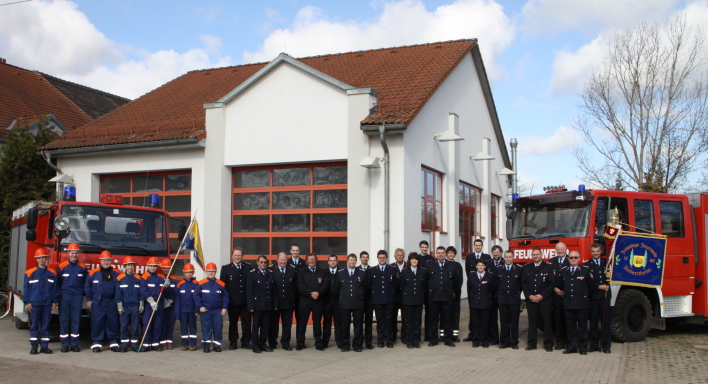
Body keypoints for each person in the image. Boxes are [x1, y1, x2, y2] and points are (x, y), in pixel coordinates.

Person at [557, 251, 595, 355]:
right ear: (568, 259)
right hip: (568, 303)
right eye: (571, 257)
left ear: (579, 259)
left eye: (575, 257)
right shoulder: (564, 271)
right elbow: (560, 285)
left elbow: (591, 287)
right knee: (570, 327)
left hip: (581, 303)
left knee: (582, 327)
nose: (573, 259)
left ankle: (582, 348)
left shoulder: (585, 271)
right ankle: (571, 347)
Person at [85, 250, 121, 352]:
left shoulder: (117, 273)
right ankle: (96, 343)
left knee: (113, 322)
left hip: (112, 302)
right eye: (104, 260)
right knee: (97, 322)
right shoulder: (93, 273)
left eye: (108, 260)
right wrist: (89, 300)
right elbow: (87, 287)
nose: (106, 262)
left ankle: (113, 342)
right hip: (98, 302)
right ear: (100, 261)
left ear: (111, 260)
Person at [23, 247, 58, 355]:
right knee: (34, 326)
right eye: (40, 258)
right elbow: (26, 289)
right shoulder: (30, 273)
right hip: (35, 303)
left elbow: (55, 289)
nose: (42, 260)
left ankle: (44, 346)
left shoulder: (52, 273)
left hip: (47, 303)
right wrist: (27, 302)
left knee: (45, 326)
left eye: (43, 258)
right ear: (36, 259)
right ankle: (34, 346)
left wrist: (54, 301)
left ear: (46, 259)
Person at [521, 248, 555, 352]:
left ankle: (548, 344)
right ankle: (532, 343)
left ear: (541, 254)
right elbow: (523, 283)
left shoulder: (548, 267)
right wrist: (529, 295)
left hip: (544, 300)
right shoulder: (527, 267)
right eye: (534, 254)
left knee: (547, 322)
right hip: (531, 300)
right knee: (532, 323)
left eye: (537, 254)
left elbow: (551, 283)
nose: (536, 256)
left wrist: (542, 295)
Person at [427, 246, 461, 347]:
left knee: (447, 319)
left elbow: (457, 281)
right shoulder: (429, 265)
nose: (440, 255)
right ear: (436, 254)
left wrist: (453, 292)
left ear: (445, 254)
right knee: (433, 320)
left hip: (447, 297)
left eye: (442, 253)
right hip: (434, 297)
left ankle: (448, 339)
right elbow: (426, 280)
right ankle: (433, 339)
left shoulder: (452, 265)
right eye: (439, 253)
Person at [56, 243, 87, 353]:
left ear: (78, 253)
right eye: (72, 253)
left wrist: (82, 294)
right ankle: (64, 344)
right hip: (64, 297)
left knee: (76, 320)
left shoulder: (82, 267)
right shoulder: (61, 266)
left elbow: (85, 283)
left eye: (76, 253)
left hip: (77, 297)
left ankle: (74, 344)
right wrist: (57, 297)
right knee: (64, 320)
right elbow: (57, 283)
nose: (74, 255)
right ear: (68, 253)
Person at [220, 248, 252, 350]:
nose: (237, 257)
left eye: (239, 255)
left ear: (242, 256)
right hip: (233, 301)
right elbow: (223, 286)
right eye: (235, 255)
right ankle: (233, 342)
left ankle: (245, 342)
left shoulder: (248, 267)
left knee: (246, 323)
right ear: (232, 256)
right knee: (233, 323)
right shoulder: (226, 268)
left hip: (245, 301)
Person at [296, 253, 329, 350]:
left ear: (316, 260)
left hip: (317, 301)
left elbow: (325, 284)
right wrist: (311, 293)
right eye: (310, 259)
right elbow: (300, 285)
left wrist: (318, 293)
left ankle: (318, 343)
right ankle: (300, 343)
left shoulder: (322, 272)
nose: (311, 261)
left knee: (317, 322)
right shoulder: (302, 271)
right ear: (306, 261)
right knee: (302, 322)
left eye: (313, 259)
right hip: (305, 300)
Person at [334, 253, 366, 352]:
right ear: (347, 261)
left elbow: (365, 288)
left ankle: (357, 345)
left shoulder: (361, 273)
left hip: (358, 303)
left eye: (354, 260)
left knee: (358, 326)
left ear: (356, 261)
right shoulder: (340, 273)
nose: (352, 262)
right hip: (345, 303)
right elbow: (337, 289)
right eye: (350, 260)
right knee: (344, 325)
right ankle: (345, 345)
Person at [584, 243, 612, 353]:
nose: (595, 253)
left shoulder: (607, 263)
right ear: (590, 252)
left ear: (601, 252)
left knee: (606, 322)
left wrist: (610, 276)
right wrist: (599, 286)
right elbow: (587, 282)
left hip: (605, 297)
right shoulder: (586, 265)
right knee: (593, 323)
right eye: (593, 251)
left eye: (597, 251)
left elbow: (617, 277)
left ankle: (606, 346)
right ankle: (594, 344)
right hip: (593, 297)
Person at [367, 250, 398, 348]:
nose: (382, 259)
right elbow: (369, 284)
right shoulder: (372, 270)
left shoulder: (393, 269)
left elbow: (396, 284)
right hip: (377, 299)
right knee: (380, 321)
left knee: (388, 320)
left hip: (389, 299)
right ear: (377, 258)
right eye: (380, 257)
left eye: (384, 257)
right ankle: (380, 340)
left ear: (387, 258)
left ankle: (389, 340)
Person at [195, 263, 229, 353]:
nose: (211, 273)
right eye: (209, 271)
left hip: (217, 310)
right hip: (205, 310)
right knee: (206, 328)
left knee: (218, 328)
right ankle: (206, 345)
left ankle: (217, 345)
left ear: (215, 272)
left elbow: (225, 296)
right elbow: (196, 296)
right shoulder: (201, 283)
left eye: (213, 271)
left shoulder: (221, 284)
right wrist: (200, 307)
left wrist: (224, 308)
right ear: (206, 271)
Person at [247, 255, 278, 353]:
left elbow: (274, 291)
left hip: (268, 304)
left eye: (265, 262)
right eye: (261, 262)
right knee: (256, 326)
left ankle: (263, 344)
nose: (263, 264)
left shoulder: (270, 273)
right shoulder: (252, 274)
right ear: (257, 263)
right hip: (257, 305)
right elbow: (250, 291)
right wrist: (251, 306)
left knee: (265, 326)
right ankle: (255, 345)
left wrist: (275, 304)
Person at [268, 252, 297, 351]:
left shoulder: (292, 270)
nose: (283, 261)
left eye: (284, 260)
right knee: (273, 324)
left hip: (288, 302)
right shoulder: (271, 270)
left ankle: (285, 342)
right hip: (275, 302)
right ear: (277, 260)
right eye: (281, 260)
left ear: (287, 260)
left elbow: (294, 286)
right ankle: (272, 342)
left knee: (287, 324)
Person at [463, 239, 490, 342]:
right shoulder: (469, 257)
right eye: (476, 245)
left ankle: (483, 336)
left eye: (479, 245)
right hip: (473, 289)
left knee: (483, 317)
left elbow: (488, 273)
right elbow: (467, 271)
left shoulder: (487, 257)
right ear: (474, 246)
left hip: (484, 291)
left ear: (482, 246)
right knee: (473, 315)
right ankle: (473, 334)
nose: (478, 247)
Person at [496, 250, 522, 349]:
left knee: (514, 321)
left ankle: (514, 342)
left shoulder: (519, 269)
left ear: (513, 258)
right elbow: (496, 284)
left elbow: (520, 284)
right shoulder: (498, 269)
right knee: (504, 321)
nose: (508, 259)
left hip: (514, 299)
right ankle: (504, 341)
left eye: (510, 257)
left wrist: (515, 293)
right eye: (506, 257)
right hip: (502, 299)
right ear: (504, 258)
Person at [400, 252, 427, 348]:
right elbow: (402, 286)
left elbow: (424, 286)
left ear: (418, 261)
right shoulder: (404, 271)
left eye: (416, 259)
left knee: (417, 321)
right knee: (408, 322)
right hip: (408, 300)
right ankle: (409, 340)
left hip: (418, 300)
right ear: (409, 261)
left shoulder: (422, 271)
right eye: (412, 259)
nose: (414, 261)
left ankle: (416, 340)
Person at [116, 256, 142, 352]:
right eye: (128, 265)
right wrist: (119, 305)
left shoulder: (138, 278)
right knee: (123, 326)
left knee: (135, 326)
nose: (130, 267)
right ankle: (124, 345)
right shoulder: (120, 278)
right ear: (125, 266)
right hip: (125, 306)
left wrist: (141, 304)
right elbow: (118, 293)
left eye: (131, 265)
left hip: (135, 306)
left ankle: (135, 345)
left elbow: (141, 293)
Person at [139, 257, 166, 352]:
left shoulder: (161, 277)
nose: (153, 268)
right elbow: (143, 290)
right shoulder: (144, 276)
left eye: (154, 266)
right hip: (149, 304)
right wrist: (151, 301)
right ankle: (146, 344)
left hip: (159, 303)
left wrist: (167, 285)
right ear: (148, 266)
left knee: (157, 324)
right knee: (147, 324)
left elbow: (164, 290)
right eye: (151, 266)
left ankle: (155, 343)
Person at [468, 259, 495, 348]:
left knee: (484, 322)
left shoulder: (489, 276)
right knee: (475, 322)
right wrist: (471, 301)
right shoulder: (471, 275)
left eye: (482, 265)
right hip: (474, 303)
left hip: (486, 303)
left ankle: (484, 340)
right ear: (476, 266)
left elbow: (492, 289)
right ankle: (475, 340)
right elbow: (469, 289)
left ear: (485, 267)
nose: (480, 267)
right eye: (479, 265)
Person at [549, 242, 570, 350]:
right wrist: (554, 289)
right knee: (557, 319)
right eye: (558, 249)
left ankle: (568, 342)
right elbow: (549, 278)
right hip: (556, 294)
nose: (560, 251)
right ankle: (560, 342)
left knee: (568, 319)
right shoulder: (551, 261)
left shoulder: (571, 259)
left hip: (567, 295)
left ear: (566, 249)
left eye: (562, 249)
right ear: (555, 250)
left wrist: (566, 290)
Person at [174, 263, 198, 351]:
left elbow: (197, 299)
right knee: (183, 328)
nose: (189, 274)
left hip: (192, 310)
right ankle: (184, 344)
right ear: (184, 273)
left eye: (190, 272)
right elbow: (177, 300)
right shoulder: (180, 284)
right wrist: (177, 313)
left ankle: (193, 344)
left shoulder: (196, 284)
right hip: (183, 311)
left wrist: (197, 310)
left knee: (192, 327)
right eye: (187, 272)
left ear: (193, 272)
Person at [485, 245, 504, 346]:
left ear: (501, 253)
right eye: (494, 252)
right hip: (491, 295)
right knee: (492, 318)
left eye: (498, 252)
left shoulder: (506, 262)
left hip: (502, 294)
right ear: (492, 253)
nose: (496, 254)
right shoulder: (487, 263)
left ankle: (504, 338)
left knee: (504, 318)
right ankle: (494, 338)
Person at [322, 254, 342, 349]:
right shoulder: (324, 272)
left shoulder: (341, 272)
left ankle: (339, 342)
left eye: (334, 260)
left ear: (337, 262)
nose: (333, 262)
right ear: (328, 262)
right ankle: (325, 342)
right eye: (331, 260)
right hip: (327, 302)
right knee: (327, 323)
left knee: (338, 323)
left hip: (338, 302)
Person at [445, 246, 463, 342]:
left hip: (455, 294)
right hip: (446, 294)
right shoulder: (444, 264)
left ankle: (455, 335)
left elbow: (460, 280)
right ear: (446, 254)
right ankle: (443, 334)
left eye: (452, 253)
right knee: (446, 314)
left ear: (454, 254)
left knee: (455, 314)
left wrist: (455, 292)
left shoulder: (458, 265)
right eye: (449, 253)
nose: (451, 254)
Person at [357, 251, 374, 349]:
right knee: (358, 322)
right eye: (363, 257)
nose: (365, 259)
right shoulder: (356, 270)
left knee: (368, 323)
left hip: (369, 300)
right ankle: (359, 342)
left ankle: (368, 343)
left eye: (367, 257)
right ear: (360, 258)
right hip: (359, 300)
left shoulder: (371, 270)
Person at [160, 258, 178, 350]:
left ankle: (169, 341)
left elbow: (176, 292)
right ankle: (163, 341)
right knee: (162, 323)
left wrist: (170, 301)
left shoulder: (174, 280)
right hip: (161, 305)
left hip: (171, 306)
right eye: (164, 268)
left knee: (170, 324)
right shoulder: (159, 278)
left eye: (168, 268)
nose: (166, 270)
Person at [417, 241, 434, 341]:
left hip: (428, 290)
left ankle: (428, 335)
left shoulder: (431, 260)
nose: (424, 249)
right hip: (419, 290)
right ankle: (417, 335)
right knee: (418, 314)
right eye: (422, 247)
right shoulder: (416, 259)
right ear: (420, 248)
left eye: (426, 247)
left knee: (429, 313)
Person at [390, 248, 406, 343]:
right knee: (393, 317)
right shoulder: (391, 267)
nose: (399, 256)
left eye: (401, 255)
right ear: (395, 256)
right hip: (394, 296)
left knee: (405, 317)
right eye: (398, 255)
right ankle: (393, 337)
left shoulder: (408, 266)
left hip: (405, 296)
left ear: (403, 256)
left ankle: (404, 337)